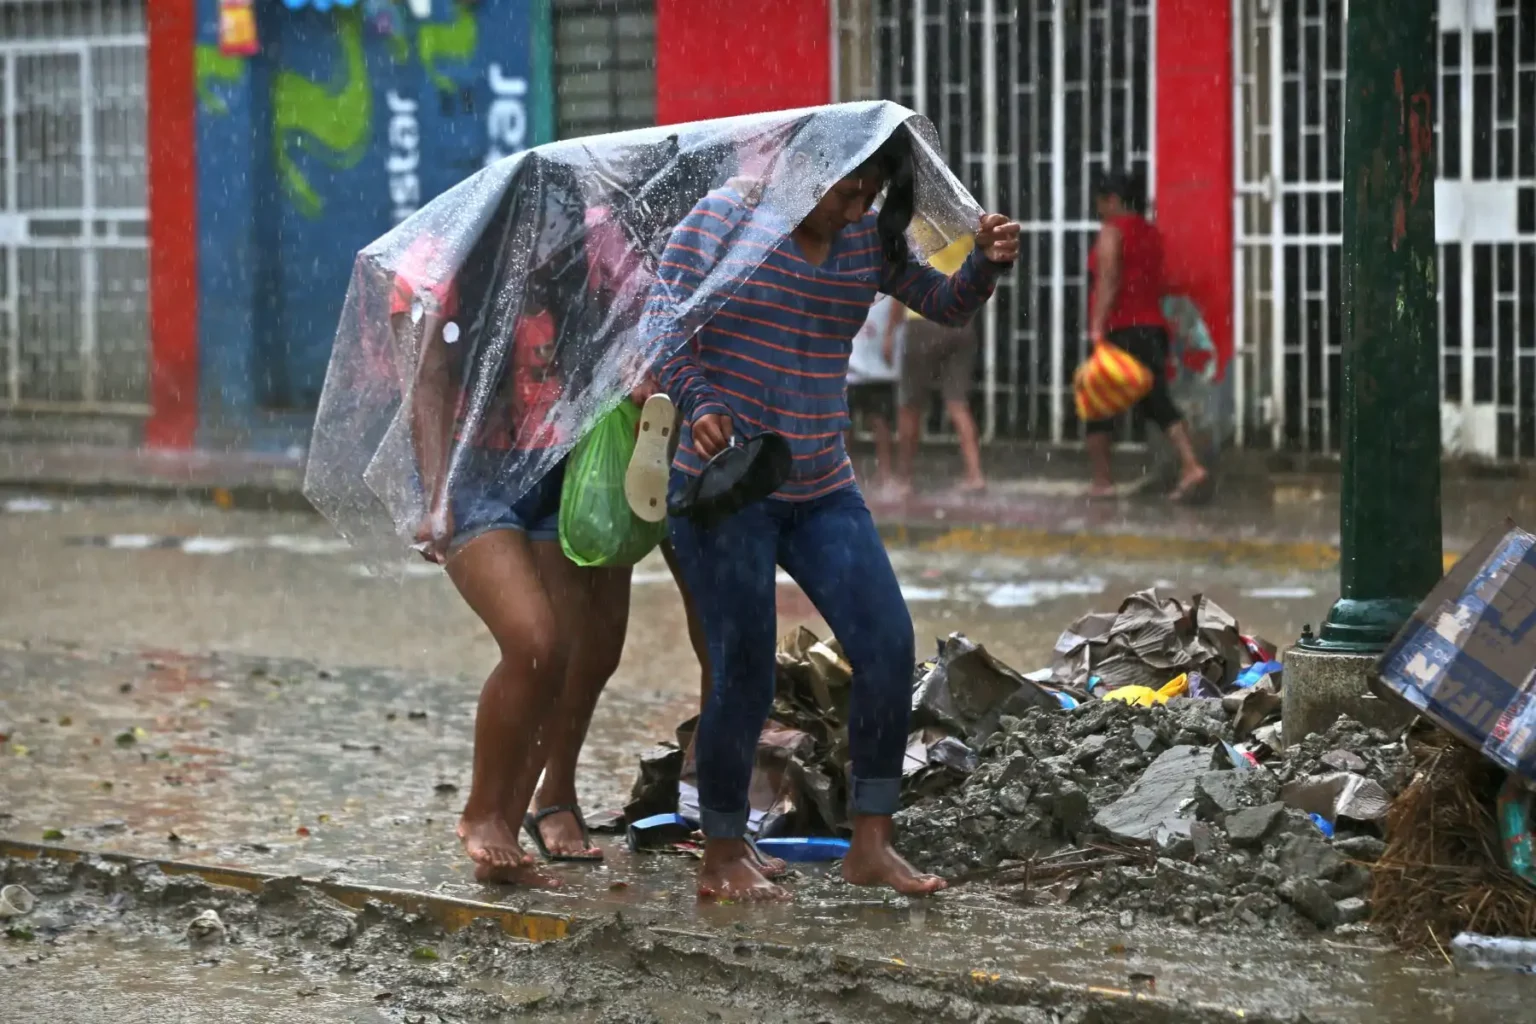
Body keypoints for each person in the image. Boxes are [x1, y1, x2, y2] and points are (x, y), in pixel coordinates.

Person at [648, 126, 1020, 901]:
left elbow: (944, 305)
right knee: (742, 670)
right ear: (803, 168)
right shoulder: (723, 223)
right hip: (725, 488)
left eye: (872, 195)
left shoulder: (866, 243)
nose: (858, 207)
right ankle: (721, 853)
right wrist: (700, 401)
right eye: (848, 189)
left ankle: (871, 844)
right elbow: (660, 329)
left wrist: (984, 263)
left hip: (821, 483)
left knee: (886, 643)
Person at [1084, 169, 1208, 502]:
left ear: (1112, 200)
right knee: (1156, 400)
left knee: (1098, 402)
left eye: (1100, 203)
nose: (1098, 210)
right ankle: (1190, 465)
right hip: (1151, 328)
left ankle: (1103, 481)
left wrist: (1096, 326)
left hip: (1121, 328)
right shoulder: (1150, 233)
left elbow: (1108, 280)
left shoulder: (1113, 232)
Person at [892, 235, 988, 495]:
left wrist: (891, 330)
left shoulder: (917, 227)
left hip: (923, 318)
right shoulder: (966, 227)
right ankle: (975, 474)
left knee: (910, 405)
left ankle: (904, 479)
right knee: (958, 402)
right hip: (960, 320)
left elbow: (900, 281)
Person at [845, 294, 903, 492]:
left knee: (880, 420)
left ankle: (885, 473)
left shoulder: (889, 281)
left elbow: (898, 307)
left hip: (878, 366)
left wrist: (890, 335)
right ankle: (845, 473)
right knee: (844, 423)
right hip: (850, 364)